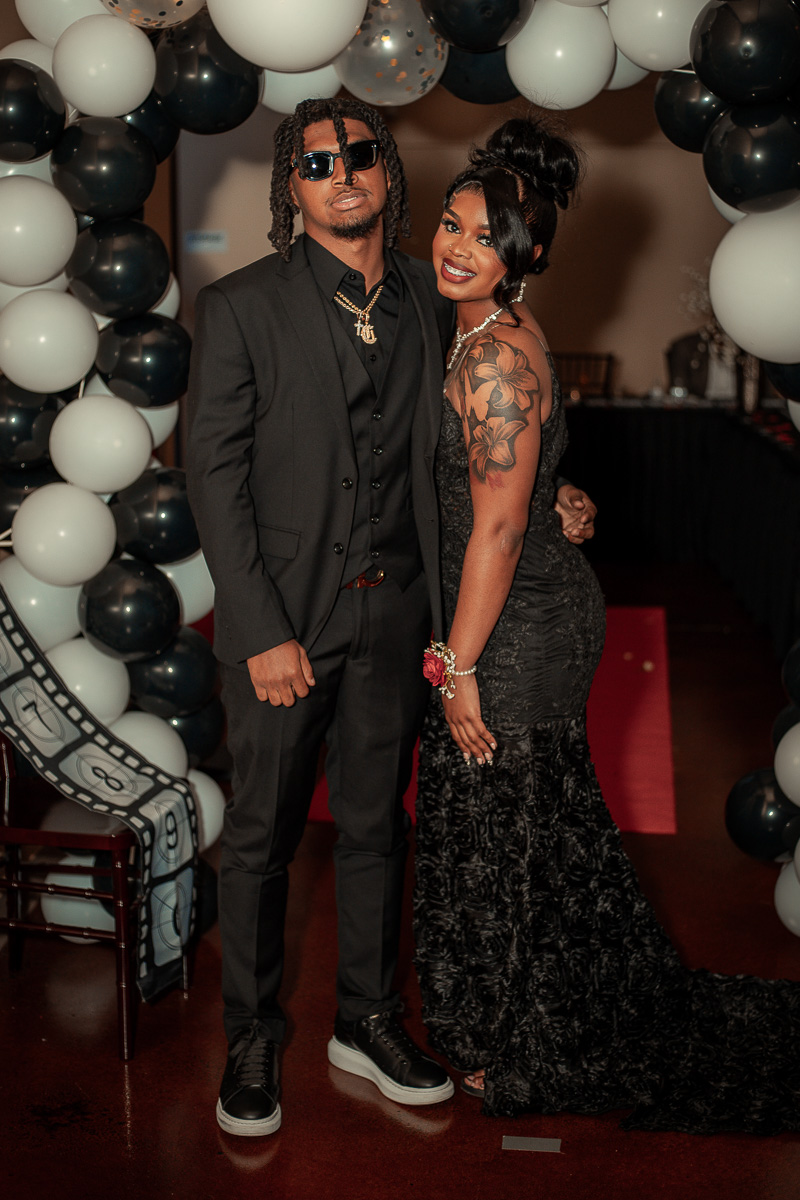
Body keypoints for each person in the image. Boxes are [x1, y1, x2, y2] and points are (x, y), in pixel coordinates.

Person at [186, 96, 594, 1138]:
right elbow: (212, 480)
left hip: (398, 617)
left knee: (376, 829)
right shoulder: (239, 306)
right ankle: (251, 1035)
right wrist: (259, 629)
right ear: (292, 184)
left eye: (359, 155)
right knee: (260, 839)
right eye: (317, 162)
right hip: (284, 627)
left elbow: (483, 424)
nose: (342, 175)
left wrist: (547, 486)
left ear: (386, 171)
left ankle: (365, 1019)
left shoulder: (429, 287)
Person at [412, 116, 800, 1135]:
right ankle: (528, 1017)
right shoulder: (488, 334)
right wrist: (559, 495)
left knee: (505, 830)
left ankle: (522, 1039)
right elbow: (518, 482)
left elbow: (497, 530)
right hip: (524, 604)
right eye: (451, 224)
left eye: (485, 237)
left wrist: (457, 665)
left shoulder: (494, 361)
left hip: (516, 627)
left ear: (526, 256)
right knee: (526, 823)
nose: (457, 247)